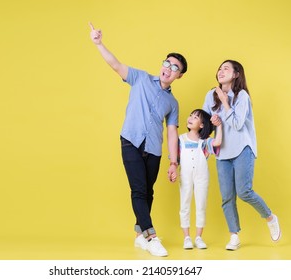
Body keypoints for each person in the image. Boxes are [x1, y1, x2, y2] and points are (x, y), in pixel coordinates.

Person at [89, 22, 188, 257]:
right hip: (131, 141)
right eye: (167, 62)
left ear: (179, 75)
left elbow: (172, 132)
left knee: (149, 192)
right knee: (139, 190)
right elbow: (115, 65)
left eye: (174, 67)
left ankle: (139, 236)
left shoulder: (172, 103)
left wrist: (174, 162)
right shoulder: (141, 78)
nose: (168, 68)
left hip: (154, 149)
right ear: (162, 64)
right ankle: (151, 236)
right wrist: (99, 43)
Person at [202, 59, 281, 250]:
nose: (221, 71)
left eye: (226, 68)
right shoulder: (210, 95)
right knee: (227, 196)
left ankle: (270, 217)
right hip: (222, 152)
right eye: (220, 68)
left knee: (244, 191)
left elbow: (237, 125)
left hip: (242, 148)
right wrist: (210, 125)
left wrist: (224, 102)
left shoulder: (242, 96)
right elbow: (205, 124)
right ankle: (234, 236)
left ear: (236, 74)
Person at [178, 109, 222, 250]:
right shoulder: (181, 139)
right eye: (191, 115)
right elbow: (175, 158)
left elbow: (218, 142)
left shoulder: (205, 142)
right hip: (185, 176)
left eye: (196, 117)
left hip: (202, 177)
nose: (191, 118)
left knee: (201, 205)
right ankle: (187, 237)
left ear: (202, 125)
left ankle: (198, 237)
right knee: (184, 204)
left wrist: (219, 126)